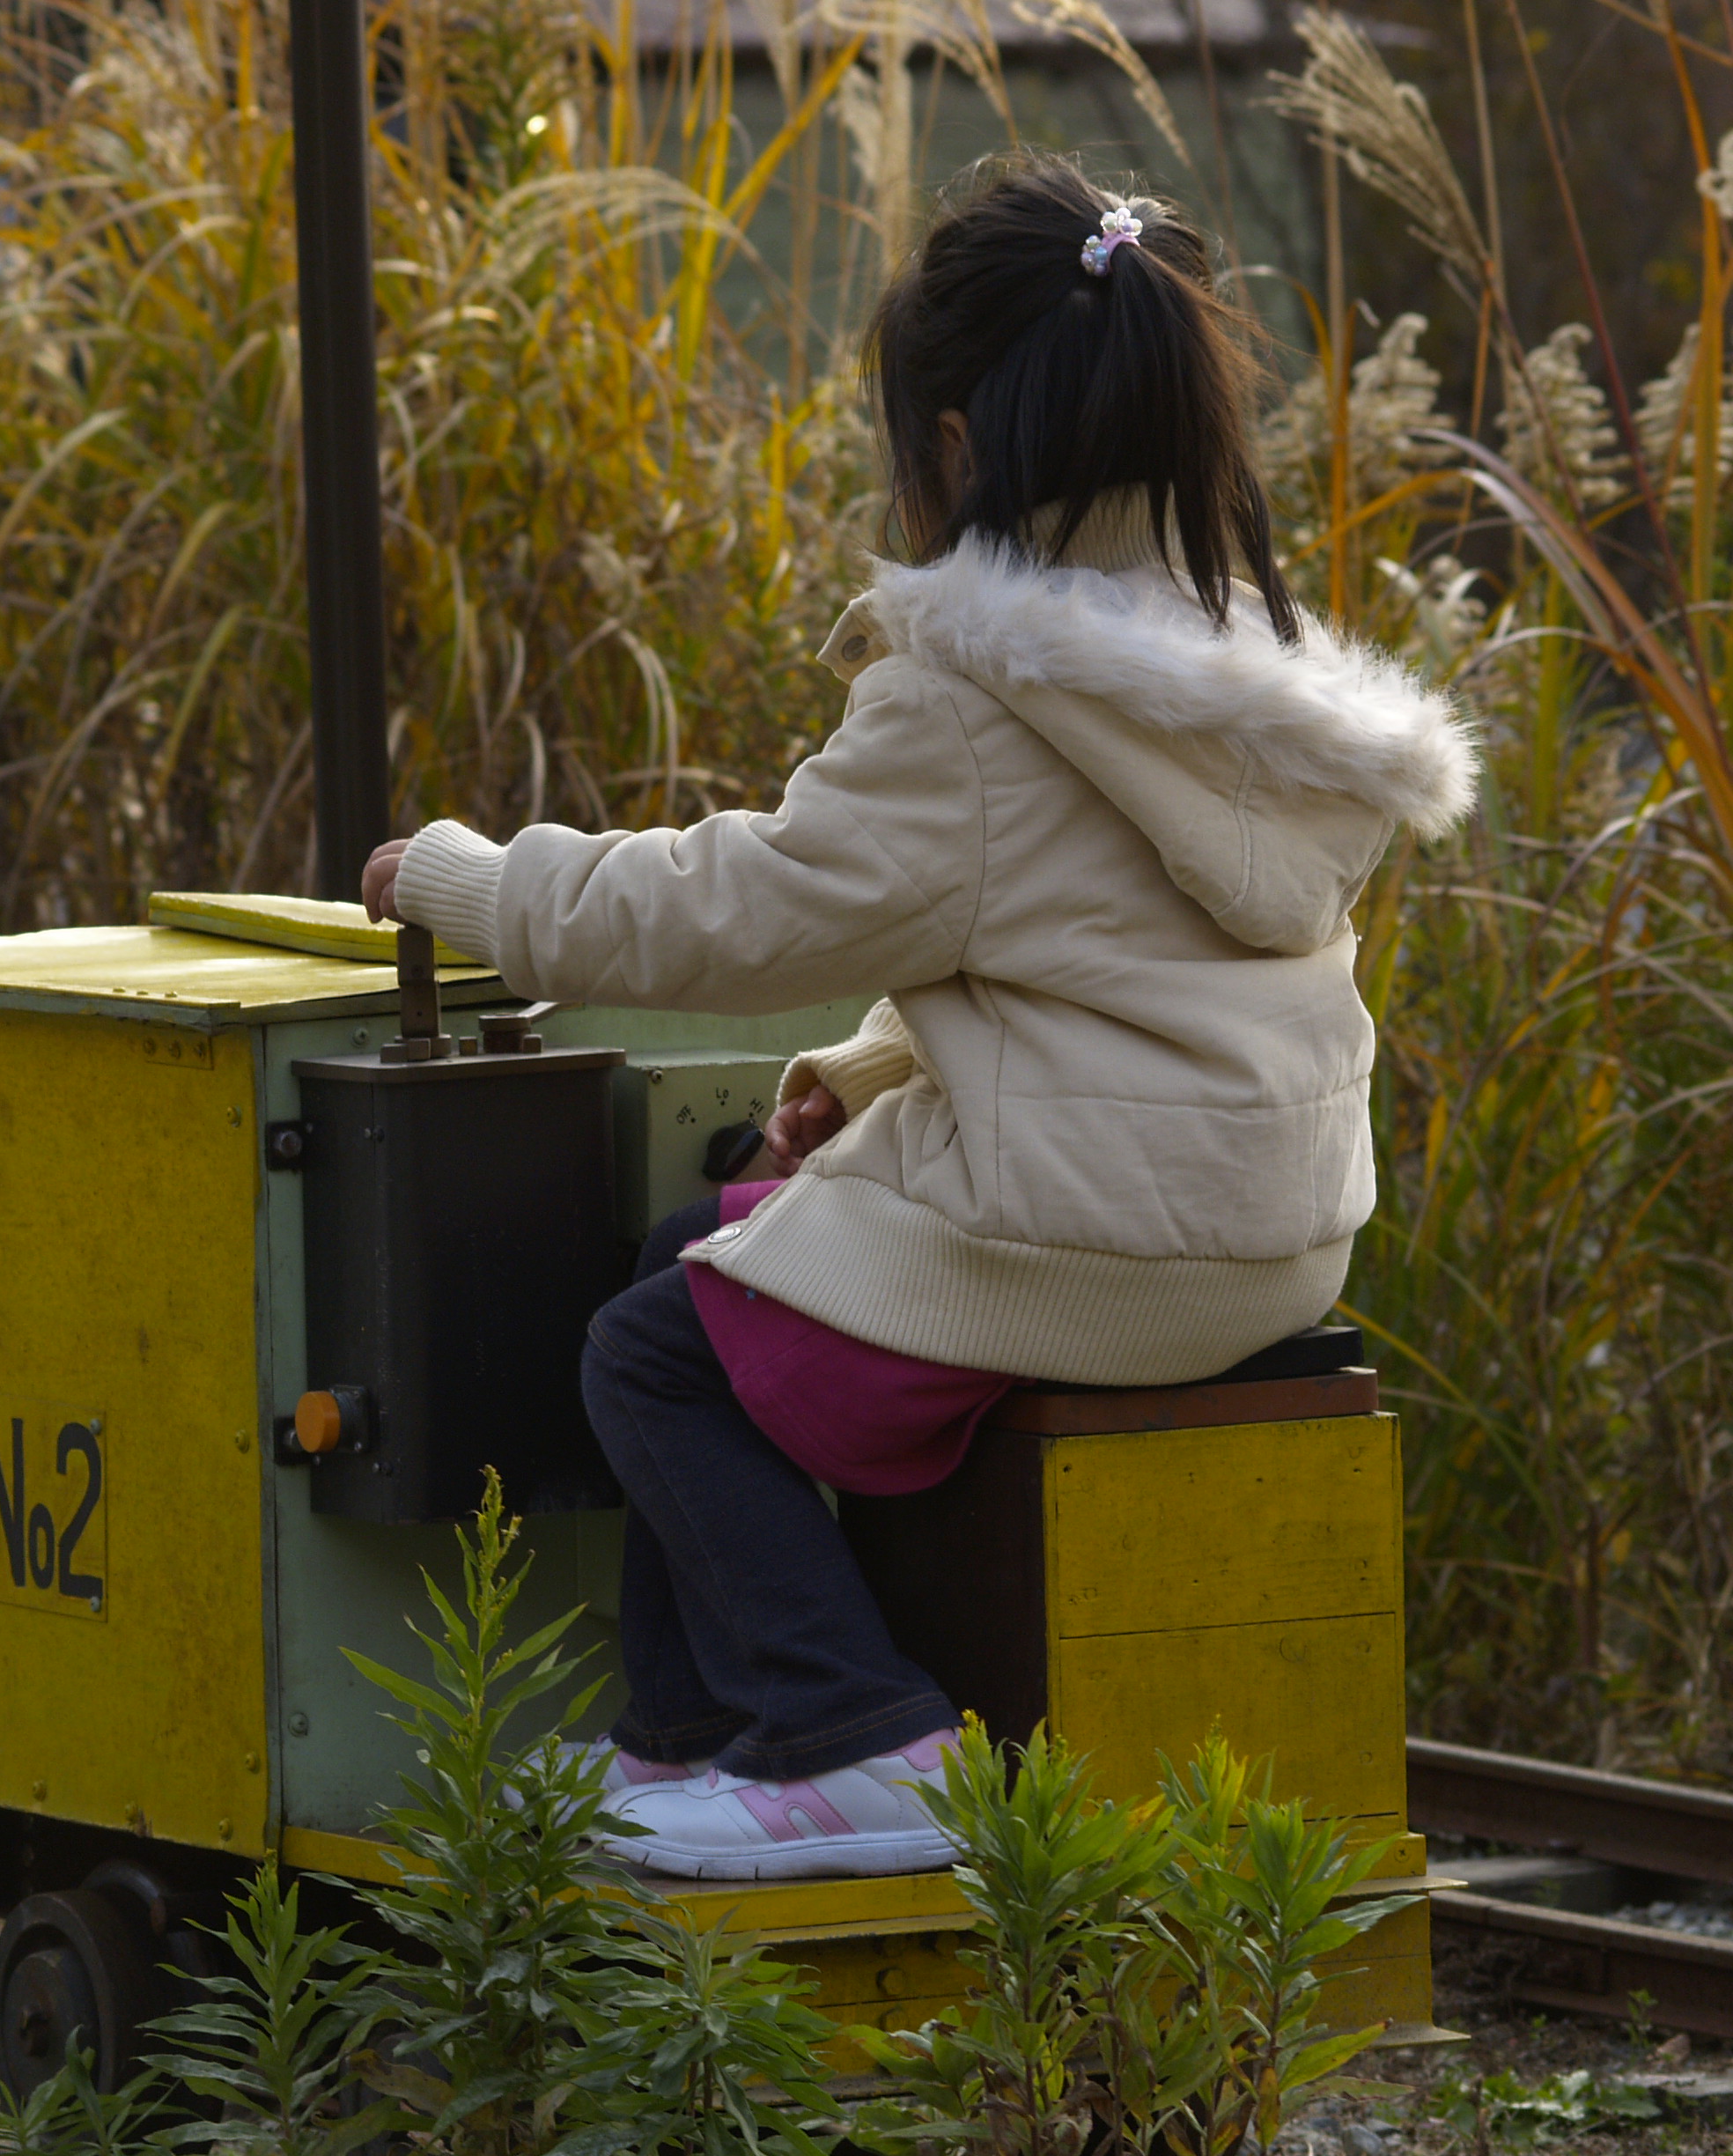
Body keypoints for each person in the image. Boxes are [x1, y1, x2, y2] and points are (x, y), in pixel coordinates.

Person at [359, 155, 1477, 1883]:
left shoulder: (977, 702)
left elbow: (727, 910)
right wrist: (869, 1067)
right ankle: (683, 1734)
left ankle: (853, 1739)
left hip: (1086, 1241)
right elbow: (1109, 961)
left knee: (650, 1353)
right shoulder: (1250, 685)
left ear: (954, 442)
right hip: (1269, 1234)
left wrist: (470, 880)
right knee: (689, 1259)